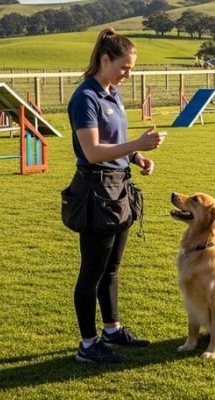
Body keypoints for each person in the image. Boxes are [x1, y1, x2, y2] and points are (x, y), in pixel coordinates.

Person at [66, 27, 166, 364]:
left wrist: (136, 157)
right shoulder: (86, 97)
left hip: (119, 188)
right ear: (105, 59)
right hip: (96, 191)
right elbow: (93, 151)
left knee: (111, 268)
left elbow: (115, 142)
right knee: (91, 272)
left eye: (131, 68)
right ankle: (88, 345)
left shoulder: (113, 94)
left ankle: (112, 330)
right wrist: (137, 144)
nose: (128, 74)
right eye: (125, 67)